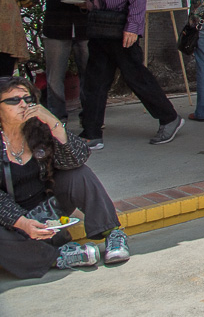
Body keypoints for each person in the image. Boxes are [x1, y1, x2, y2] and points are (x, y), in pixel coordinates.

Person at [0, 76, 129, 278]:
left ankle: (112, 233)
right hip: (11, 221)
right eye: (13, 100)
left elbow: (78, 158)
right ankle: (57, 256)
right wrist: (22, 222)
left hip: (47, 207)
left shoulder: (38, 128)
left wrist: (53, 123)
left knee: (79, 174)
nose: (23, 104)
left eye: (27, 98)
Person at [79, 0, 182, 149]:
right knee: (95, 80)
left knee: (136, 77)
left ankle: (169, 118)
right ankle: (91, 133)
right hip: (103, 24)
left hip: (119, 26)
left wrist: (133, 27)